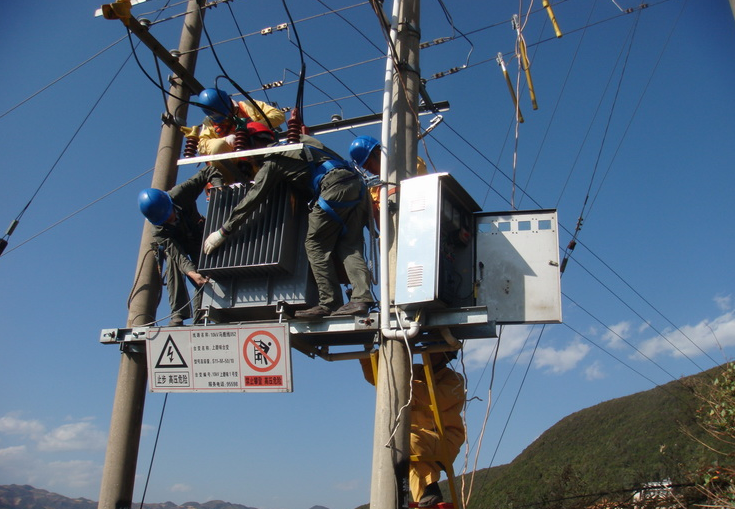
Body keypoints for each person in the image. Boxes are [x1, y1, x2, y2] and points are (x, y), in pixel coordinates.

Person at [202, 125, 374, 318]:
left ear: (255, 143)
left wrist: (224, 231)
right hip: (356, 185)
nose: (250, 159)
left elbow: (253, 198)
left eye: (249, 153)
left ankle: (329, 303)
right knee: (349, 246)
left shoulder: (272, 161)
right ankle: (360, 299)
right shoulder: (301, 141)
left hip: (333, 188)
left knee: (315, 244)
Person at [360, 350, 465, 507]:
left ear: (446, 356)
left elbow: (432, 397)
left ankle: (431, 487)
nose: (430, 355)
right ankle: (429, 491)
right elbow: (377, 377)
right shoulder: (415, 371)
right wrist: (367, 354)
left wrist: (398, 377)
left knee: (400, 437)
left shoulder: (454, 380)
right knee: (410, 464)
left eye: (436, 352)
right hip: (415, 442)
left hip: (444, 440)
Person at [138, 168, 215, 326]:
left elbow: (208, 171)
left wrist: (219, 190)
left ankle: (201, 316)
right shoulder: (159, 231)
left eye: (170, 214)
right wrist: (191, 273)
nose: (170, 219)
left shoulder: (180, 193)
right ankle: (179, 312)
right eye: (165, 219)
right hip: (180, 246)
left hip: (200, 236)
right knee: (174, 261)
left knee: (204, 270)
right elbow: (178, 255)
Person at [182, 88, 286, 184]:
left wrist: (252, 128)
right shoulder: (209, 122)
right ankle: (224, 186)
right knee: (216, 146)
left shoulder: (248, 106)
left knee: (259, 139)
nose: (225, 120)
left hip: (258, 164)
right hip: (231, 170)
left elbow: (278, 115)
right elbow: (202, 145)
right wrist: (225, 140)